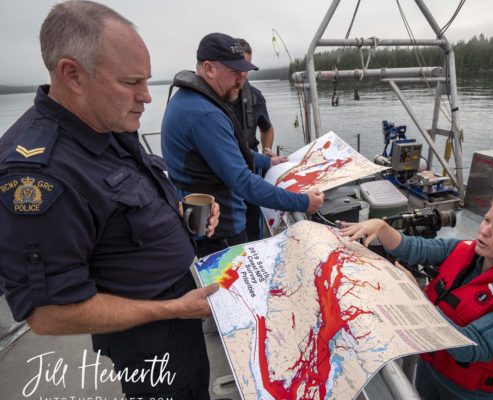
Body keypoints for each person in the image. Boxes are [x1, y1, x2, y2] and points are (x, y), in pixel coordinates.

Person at [0, 2, 220, 399]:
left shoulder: (107, 123)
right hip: (148, 339)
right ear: (73, 75)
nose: (146, 97)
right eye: (131, 82)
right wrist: (174, 310)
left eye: (147, 81)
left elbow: (124, 204)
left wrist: (180, 211)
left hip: (181, 311)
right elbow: (49, 314)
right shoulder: (38, 175)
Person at [341, 195, 493, 400]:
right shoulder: (465, 250)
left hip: (468, 391)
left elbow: (471, 348)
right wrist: (381, 227)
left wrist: (416, 299)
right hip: (429, 365)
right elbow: (416, 248)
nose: (484, 231)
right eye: (487, 220)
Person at [161, 32, 324, 257]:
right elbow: (243, 182)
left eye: (244, 72)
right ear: (209, 68)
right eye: (235, 71)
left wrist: (266, 159)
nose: (242, 79)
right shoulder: (205, 114)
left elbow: (228, 149)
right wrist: (303, 202)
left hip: (203, 222)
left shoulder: (186, 99)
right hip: (218, 231)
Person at [232, 38, 274, 241]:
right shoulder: (209, 101)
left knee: (251, 221)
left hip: (251, 166)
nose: (241, 75)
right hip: (224, 173)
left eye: (245, 68)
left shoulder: (256, 97)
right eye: (236, 68)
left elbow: (267, 129)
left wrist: (266, 151)